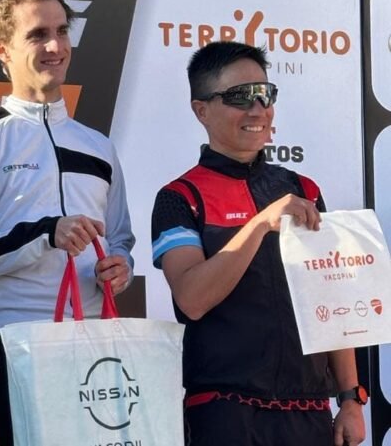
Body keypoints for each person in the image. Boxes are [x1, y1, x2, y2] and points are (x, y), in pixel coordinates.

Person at [0, 0, 135, 446]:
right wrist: (47, 233)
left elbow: (120, 240)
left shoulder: (98, 146)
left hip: (97, 353)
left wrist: (120, 267)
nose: (55, 46)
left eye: (62, 31)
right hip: (19, 346)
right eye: (37, 35)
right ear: (2, 49)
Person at [151, 41, 366, 446]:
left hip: (309, 413)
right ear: (201, 110)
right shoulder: (180, 197)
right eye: (239, 97)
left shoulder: (303, 189)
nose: (257, 109)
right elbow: (192, 299)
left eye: (265, 94)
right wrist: (259, 224)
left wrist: (350, 398)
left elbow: (331, 299)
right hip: (225, 413)